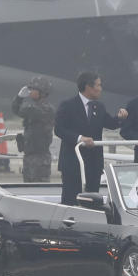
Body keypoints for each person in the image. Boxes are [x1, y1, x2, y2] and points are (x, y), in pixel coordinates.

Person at [54, 71, 127, 205]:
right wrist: (80, 138)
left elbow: (110, 123)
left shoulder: (99, 107)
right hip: (73, 163)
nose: (100, 88)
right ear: (88, 87)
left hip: (94, 163)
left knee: (93, 201)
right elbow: (59, 129)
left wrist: (120, 118)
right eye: (98, 85)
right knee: (71, 200)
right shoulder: (68, 105)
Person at [11, 76, 55, 183]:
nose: (30, 92)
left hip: (39, 159)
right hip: (31, 157)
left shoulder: (42, 109)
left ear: (42, 92)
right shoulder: (38, 107)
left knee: (39, 191)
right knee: (28, 190)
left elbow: (18, 110)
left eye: (33, 89)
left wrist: (19, 98)